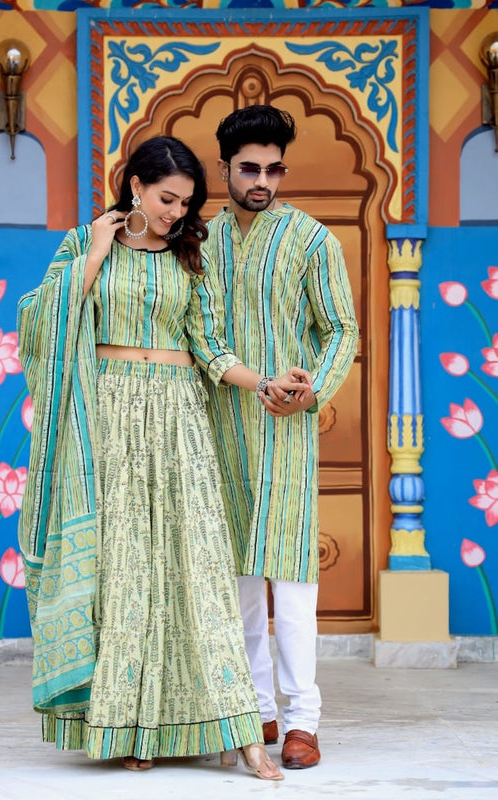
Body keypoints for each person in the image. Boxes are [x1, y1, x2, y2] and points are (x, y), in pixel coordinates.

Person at [16, 135, 312, 780]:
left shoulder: (189, 257)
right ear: (135, 186)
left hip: (179, 415)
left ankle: (242, 734)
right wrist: (95, 250)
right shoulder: (84, 245)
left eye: (185, 202)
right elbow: (42, 323)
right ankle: (133, 726)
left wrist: (262, 382)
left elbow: (210, 348)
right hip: (111, 412)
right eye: (166, 198)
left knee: (197, 568)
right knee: (125, 571)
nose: (177, 212)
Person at [202, 106, 359, 769]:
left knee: (291, 583)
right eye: (249, 169)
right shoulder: (200, 241)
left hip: (286, 430)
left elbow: (340, 329)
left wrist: (309, 388)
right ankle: (255, 708)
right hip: (217, 426)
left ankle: (302, 720)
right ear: (225, 169)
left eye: (273, 169)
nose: (262, 180)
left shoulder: (311, 239)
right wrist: (244, 379)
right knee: (236, 578)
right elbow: (197, 332)